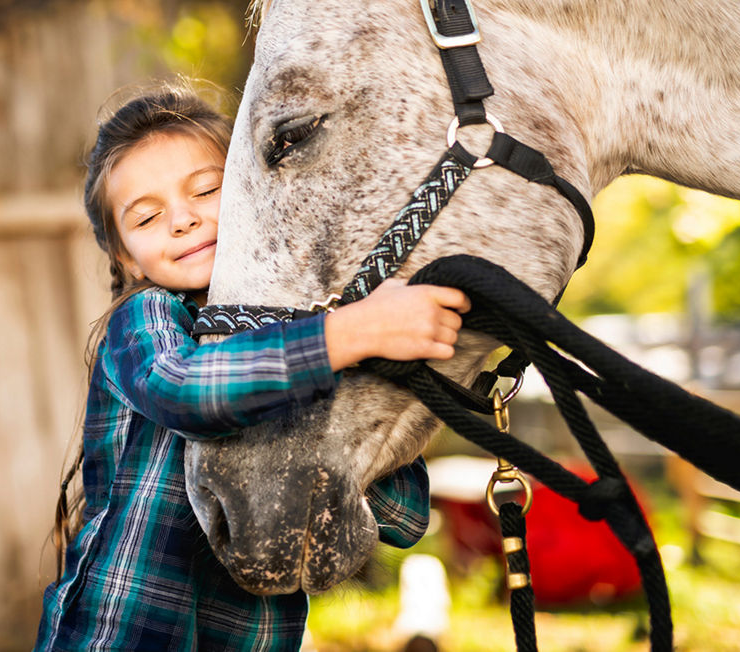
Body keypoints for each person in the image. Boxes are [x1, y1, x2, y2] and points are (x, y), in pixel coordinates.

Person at [35, 85, 469, 650]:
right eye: (147, 218)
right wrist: (352, 333)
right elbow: (183, 388)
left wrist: (377, 361)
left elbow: (403, 517)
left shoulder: (295, 333)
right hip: (119, 632)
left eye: (207, 190)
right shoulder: (145, 320)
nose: (183, 221)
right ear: (124, 257)